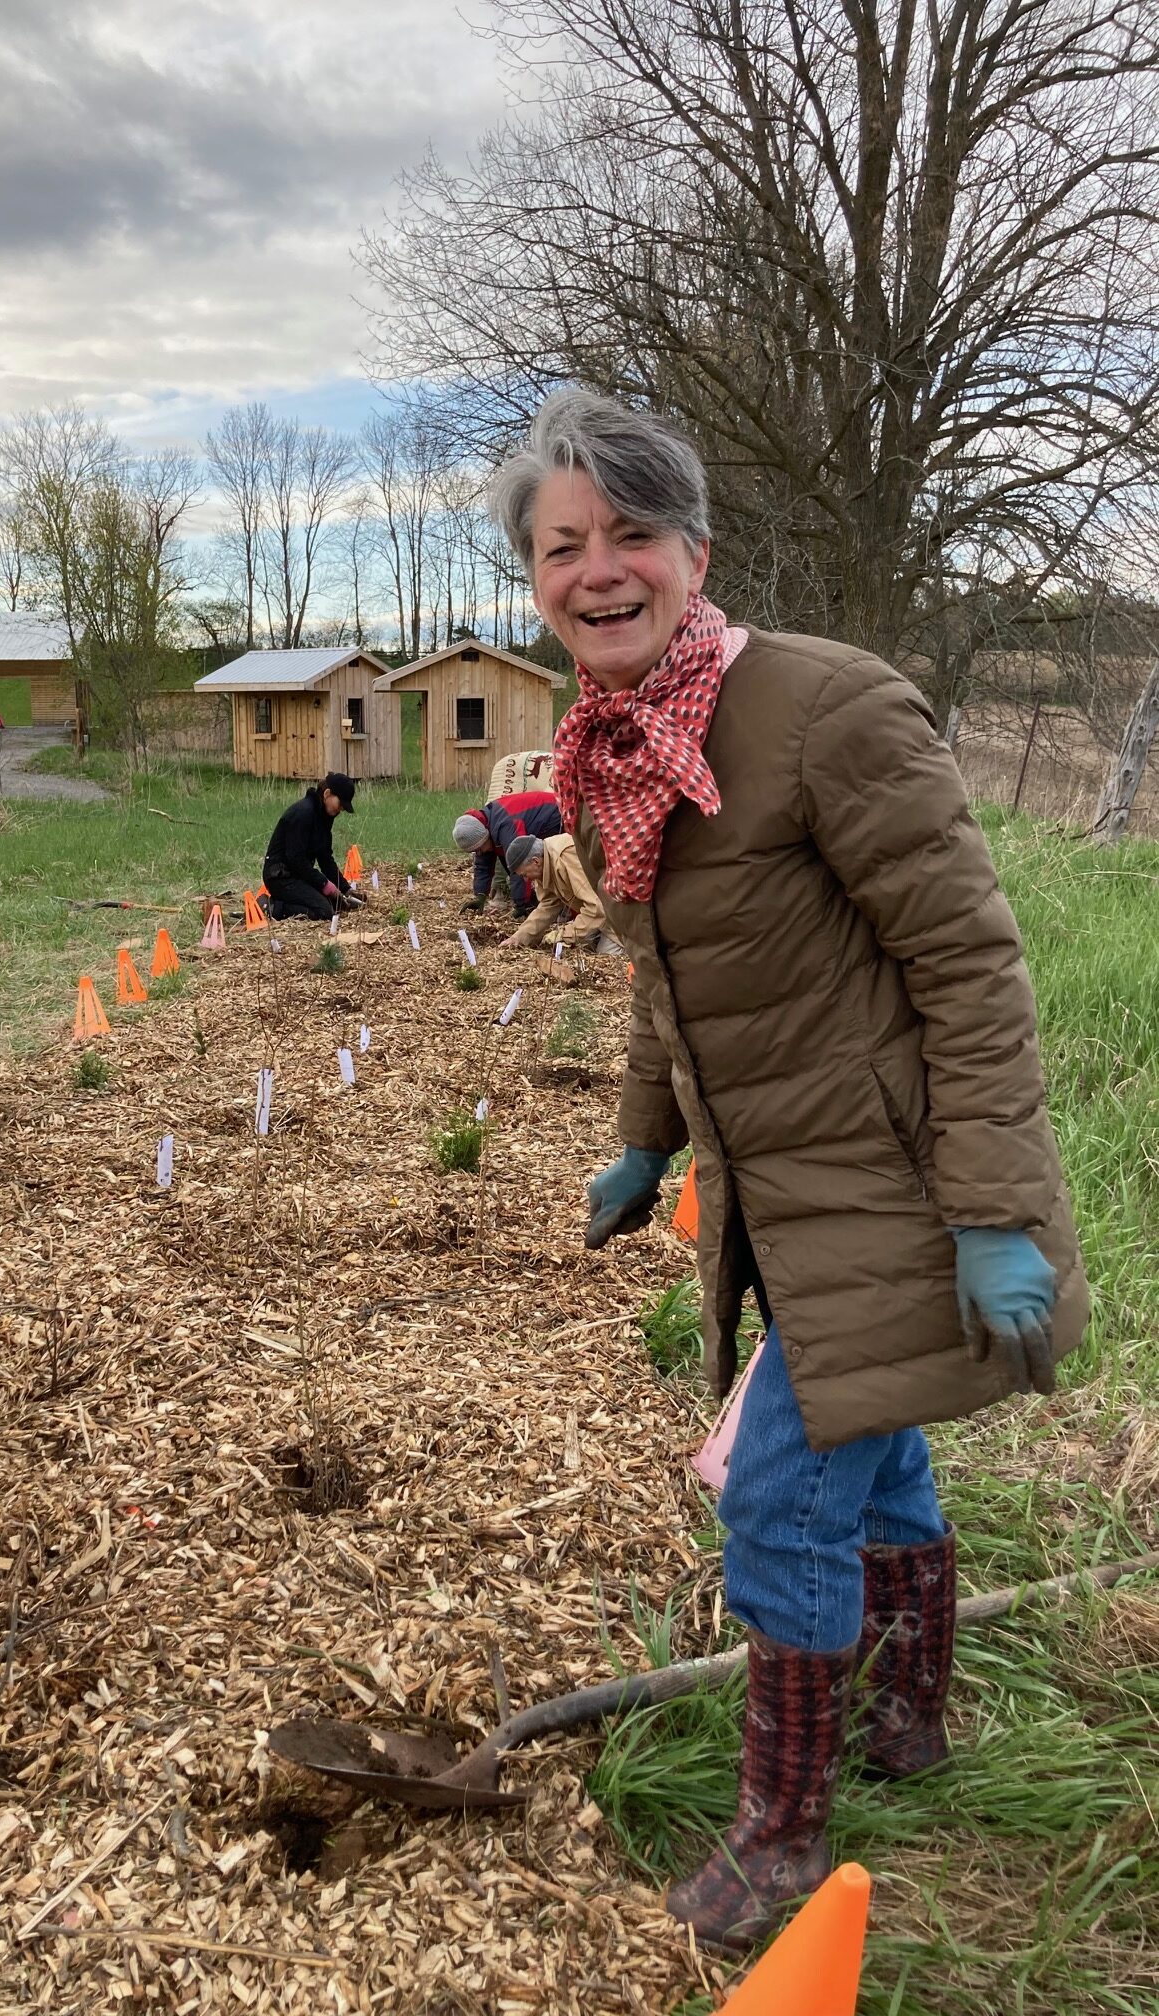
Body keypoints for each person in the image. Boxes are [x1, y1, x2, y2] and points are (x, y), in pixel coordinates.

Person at [488, 389, 1086, 1952]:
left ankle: (781, 1838)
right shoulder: (623, 746)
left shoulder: (827, 708)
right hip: (773, 1193)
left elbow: (969, 968)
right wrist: (641, 1144)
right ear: (534, 579)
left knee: (777, 1501)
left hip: (887, 1190)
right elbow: (666, 974)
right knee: (878, 1460)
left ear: (696, 549)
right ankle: (911, 1722)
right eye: (564, 546)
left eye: (630, 533)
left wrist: (996, 1216)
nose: (597, 569)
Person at [261, 772, 365, 922]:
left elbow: (325, 858)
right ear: (327, 794)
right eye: (340, 803)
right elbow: (296, 859)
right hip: (280, 877)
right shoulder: (304, 813)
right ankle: (271, 907)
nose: (341, 809)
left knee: (336, 903)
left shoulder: (324, 817)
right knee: (324, 911)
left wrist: (345, 889)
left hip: (297, 875)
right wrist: (324, 884)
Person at [501, 833, 618, 954]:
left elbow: (596, 907)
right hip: (598, 914)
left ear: (535, 861)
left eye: (525, 875)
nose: (526, 880)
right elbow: (548, 904)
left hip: (617, 912)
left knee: (606, 954)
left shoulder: (565, 856)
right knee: (581, 947)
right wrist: (520, 936)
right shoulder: (543, 862)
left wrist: (565, 934)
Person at [453, 789, 561, 916]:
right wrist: (480, 896)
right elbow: (483, 865)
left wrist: (521, 905)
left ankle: (565, 906)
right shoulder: (485, 827)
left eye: (479, 848)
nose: (480, 852)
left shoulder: (505, 825)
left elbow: (520, 863)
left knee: (556, 863)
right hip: (541, 823)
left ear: (484, 836)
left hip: (557, 815)